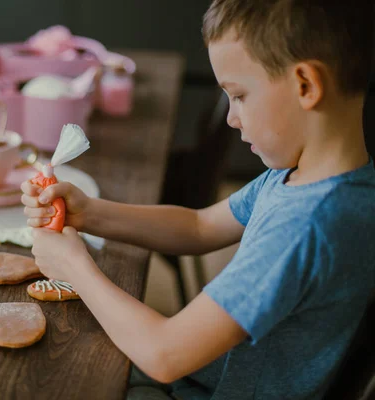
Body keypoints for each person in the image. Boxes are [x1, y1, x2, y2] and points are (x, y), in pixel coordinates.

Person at [20, 1, 375, 398]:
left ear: (306, 85)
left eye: (239, 95)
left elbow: (164, 354)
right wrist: (92, 213)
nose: (231, 118)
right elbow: (199, 226)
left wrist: (74, 266)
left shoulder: (308, 225)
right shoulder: (303, 179)